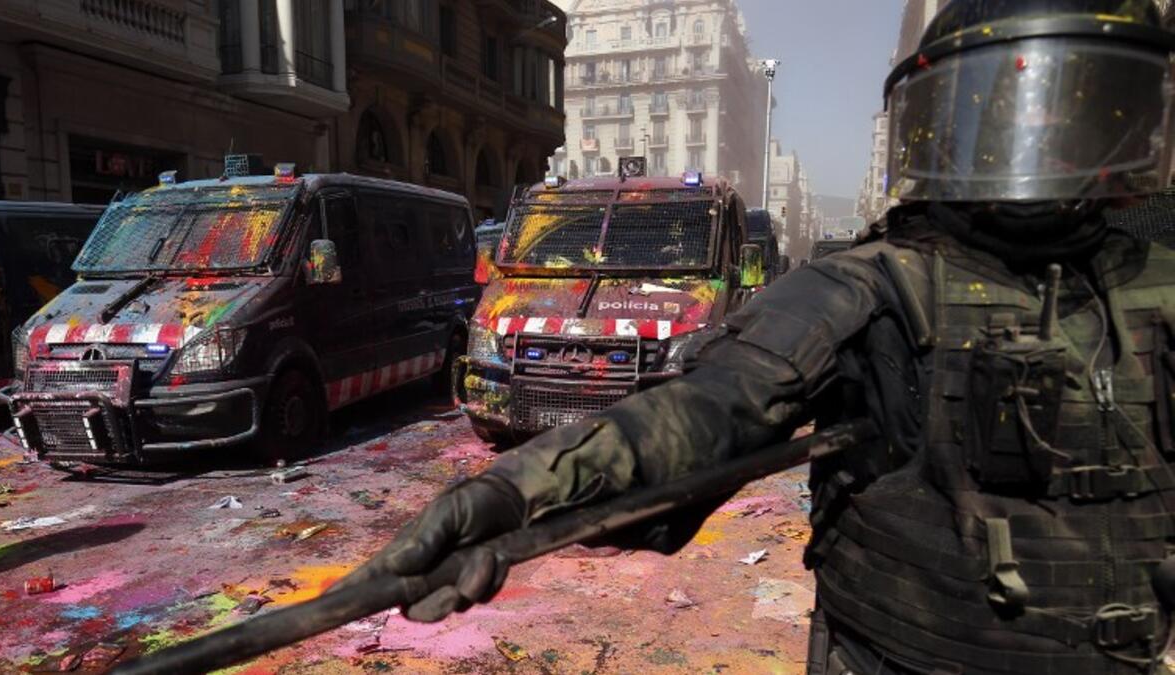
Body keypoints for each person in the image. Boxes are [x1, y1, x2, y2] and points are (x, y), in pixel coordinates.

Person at [373, 2, 1175, 673]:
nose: (1038, 138)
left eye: (1070, 106)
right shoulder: (870, 285)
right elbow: (701, 414)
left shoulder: (1157, 285)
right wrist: (513, 497)